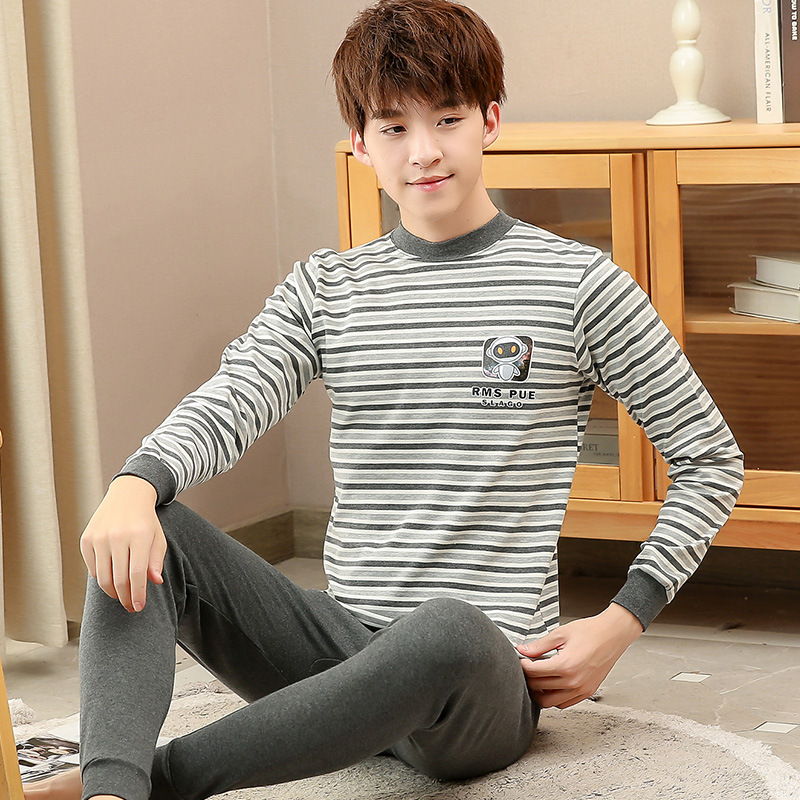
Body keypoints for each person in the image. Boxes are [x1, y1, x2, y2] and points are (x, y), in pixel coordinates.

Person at [26, 2, 744, 799]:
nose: (424, 151)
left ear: (490, 121)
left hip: (477, 683)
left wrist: (621, 621)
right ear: (361, 143)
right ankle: (112, 792)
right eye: (394, 128)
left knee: (446, 628)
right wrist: (134, 483)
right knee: (139, 522)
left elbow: (711, 461)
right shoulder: (326, 287)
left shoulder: (579, 285)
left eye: (448, 119)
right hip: (335, 662)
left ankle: (153, 779)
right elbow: (233, 398)